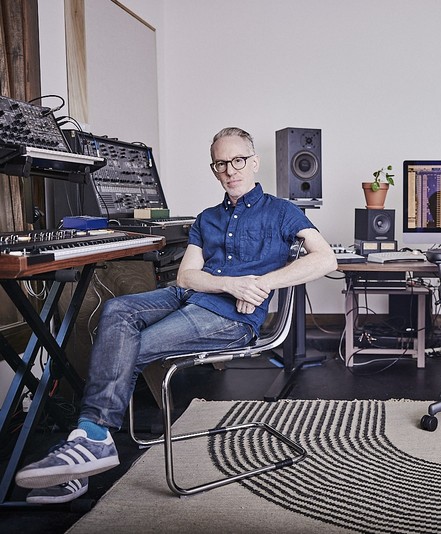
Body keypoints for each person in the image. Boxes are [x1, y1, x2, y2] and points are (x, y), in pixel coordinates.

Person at [15, 127, 337, 503]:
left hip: (232, 317)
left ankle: (91, 440)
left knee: (132, 347)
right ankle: (90, 447)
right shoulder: (207, 218)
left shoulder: (283, 211)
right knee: (116, 309)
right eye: (221, 164)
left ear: (254, 162)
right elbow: (187, 276)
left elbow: (325, 259)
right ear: (214, 168)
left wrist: (260, 284)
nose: (230, 170)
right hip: (188, 296)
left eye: (238, 160)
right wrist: (231, 284)